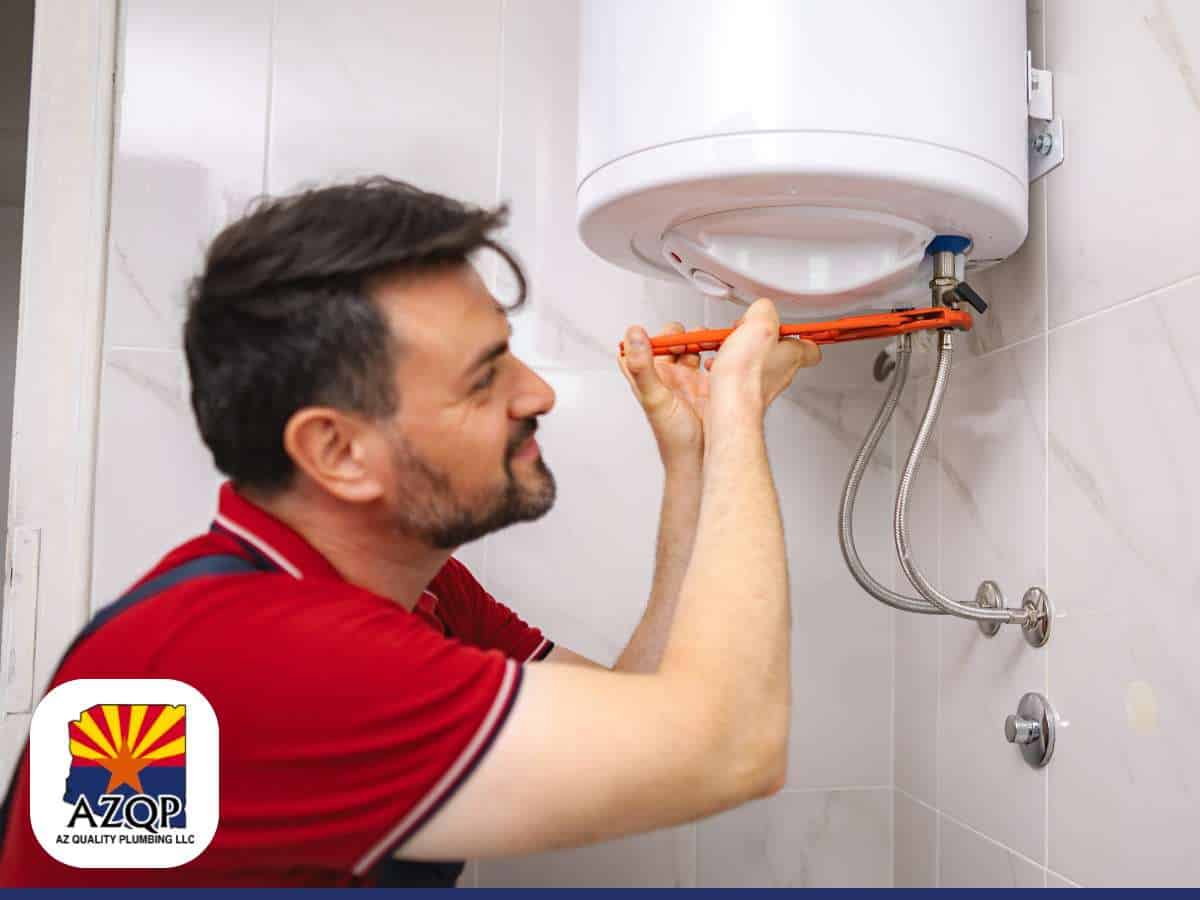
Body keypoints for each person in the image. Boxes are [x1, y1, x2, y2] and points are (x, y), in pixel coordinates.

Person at [0, 177, 820, 886]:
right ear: (337, 452)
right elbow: (730, 747)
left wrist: (698, 456)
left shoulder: (408, 586)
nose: (538, 393)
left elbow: (645, 712)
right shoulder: (255, 657)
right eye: (485, 375)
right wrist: (742, 404)